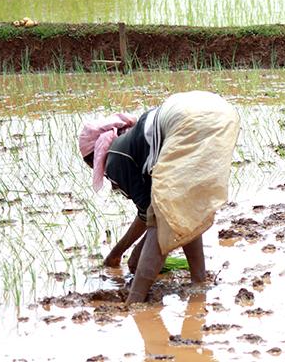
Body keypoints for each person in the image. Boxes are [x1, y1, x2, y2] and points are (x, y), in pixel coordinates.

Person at [78, 91, 240, 303]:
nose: (105, 173)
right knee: (183, 207)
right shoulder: (137, 143)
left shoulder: (116, 157)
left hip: (189, 120)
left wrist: (120, 255)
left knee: (164, 216)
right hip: (222, 113)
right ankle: (199, 284)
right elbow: (172, 212)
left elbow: (150, 216)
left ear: (98, 155)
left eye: (95, 165)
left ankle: (135, 301)